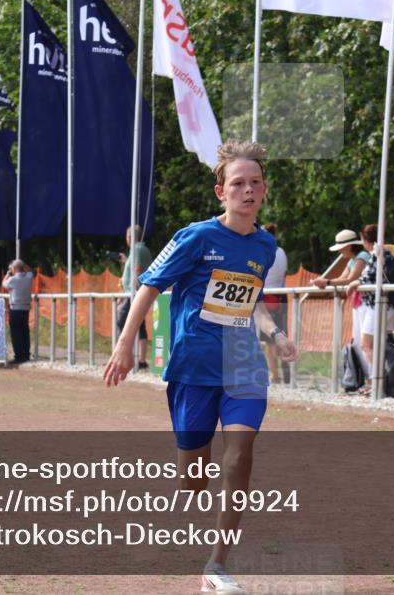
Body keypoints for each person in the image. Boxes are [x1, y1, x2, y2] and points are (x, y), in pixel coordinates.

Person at [104, 140, 298, 594]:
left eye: (254, 183)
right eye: (237, 184)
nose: (246, 191)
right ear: (220, 192)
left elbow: (252, 305)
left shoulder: (265, 246)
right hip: (193, 367)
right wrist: (125, 343)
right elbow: (148, 288)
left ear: (264, 190)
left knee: (239, 460)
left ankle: (216, 564)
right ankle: (193, 477)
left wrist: (275, 334)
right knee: (194, 478)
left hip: (243, 368)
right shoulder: (195, 237)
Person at [346, 224, 394, 391]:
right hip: (387, 305)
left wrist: (356, 282)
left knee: (367, 344)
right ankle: (383, 380)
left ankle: (379, 381)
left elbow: (370, 278)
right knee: (381, 344)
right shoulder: (384, 252)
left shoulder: (378, 254)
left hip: (378, 306)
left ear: (365, 240)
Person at [312, 229, 371, 359]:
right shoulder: (353, 260)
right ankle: (366, 374)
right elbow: (342, 278)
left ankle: (372, 375)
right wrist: (326, 282)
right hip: (358, 303)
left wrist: (326, 282)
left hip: (367, 303)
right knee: (358, 340)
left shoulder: (362, 256)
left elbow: (350, 279)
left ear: (349, 246)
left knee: (364, 341)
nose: (339, 251)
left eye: (341, 248)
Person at [116, 225, 154, 370]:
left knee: (122, 321)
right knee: (140, 326)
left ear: (129, 237)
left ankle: (127, 355)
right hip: (133, 293)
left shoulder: (137, 249)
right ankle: (142, 360)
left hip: (134, 294)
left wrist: (132, 290)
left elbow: (137, 269)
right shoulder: (139, 250)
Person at [259, 223, 289, 384]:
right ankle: (286, 373)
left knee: (270, 340)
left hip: (267, 296)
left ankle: (274, 375)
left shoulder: (262, 251)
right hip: (281, 296)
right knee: (280, 335)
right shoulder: (281, 251)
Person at [2, 260, 33, 365]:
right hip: (25, 309)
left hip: (15, 309)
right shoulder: (29, 277)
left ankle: (19, 356)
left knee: (16, 334)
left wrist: (8, 273)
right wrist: (22, 264)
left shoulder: (12, 279)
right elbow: (29, 270)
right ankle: (26, 355)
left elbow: (3, 283)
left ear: (14, 269)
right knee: (25, 333)